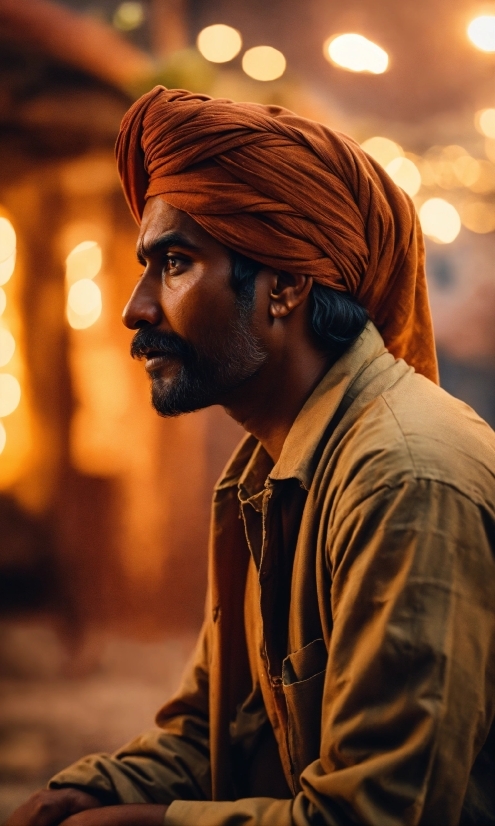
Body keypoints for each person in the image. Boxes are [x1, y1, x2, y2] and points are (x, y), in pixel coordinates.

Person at [7, 87, 495, 826]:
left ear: (287, 284)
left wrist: (144, 825)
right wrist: (93, 791)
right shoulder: (265, 471)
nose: (136, 308)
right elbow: (213, 733)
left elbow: (382, 816)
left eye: (174, 262)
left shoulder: (403, 479)